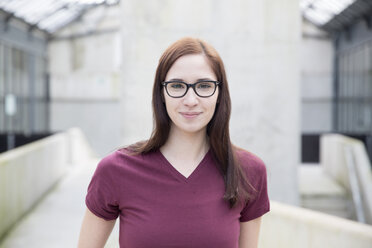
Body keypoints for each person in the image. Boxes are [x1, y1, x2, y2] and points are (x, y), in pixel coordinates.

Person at [78, 37, 270, 248]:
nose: (190, 100)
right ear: (161, 93)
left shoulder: (249, 171)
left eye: (204, 86)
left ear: (219, 93)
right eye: (177, 86)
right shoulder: (115, 170)